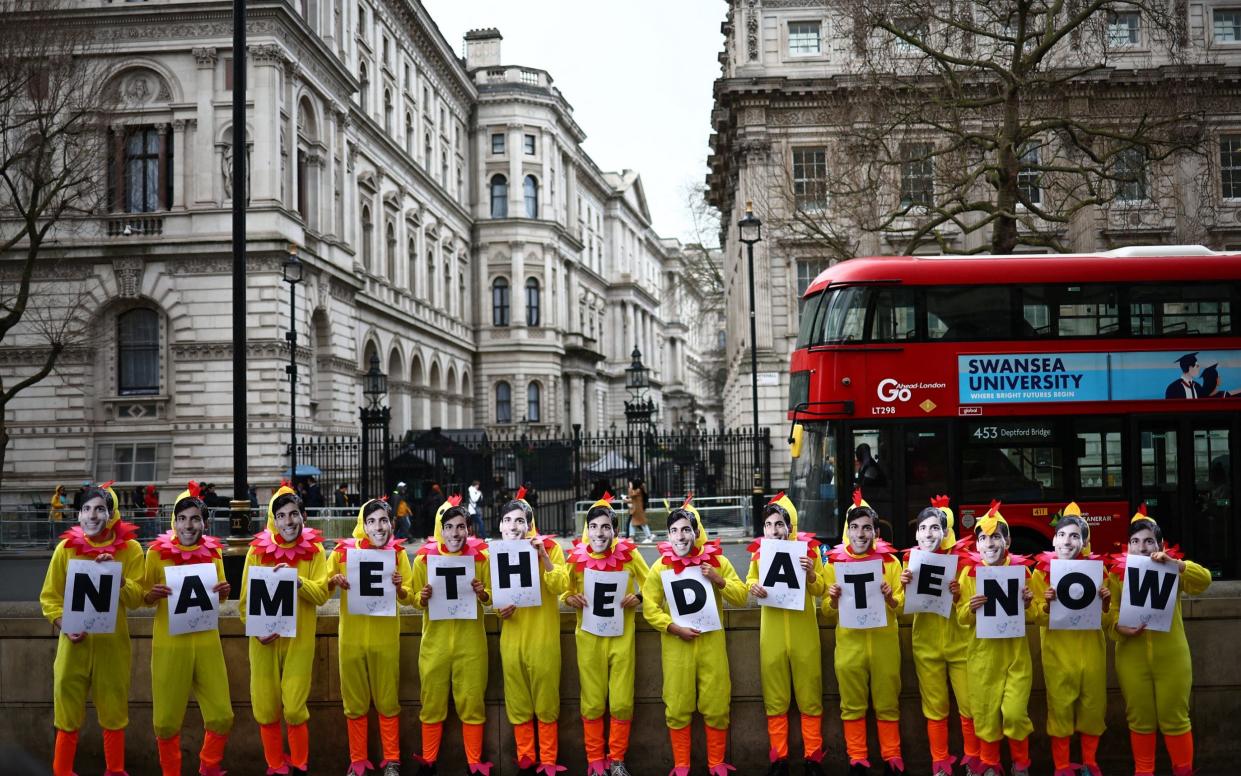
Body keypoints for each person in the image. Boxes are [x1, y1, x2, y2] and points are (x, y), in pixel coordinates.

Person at [39, 482, 144, 776]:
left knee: (114, 713)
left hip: (112, 647)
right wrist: (64, 625)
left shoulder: (131, 550)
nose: (92, 515)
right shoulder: (66, 549)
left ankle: (115, 771)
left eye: (100, 509)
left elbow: (138, 598)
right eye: (86, 509)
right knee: (67, 713)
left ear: (111, 514)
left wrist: (119, 578)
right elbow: (49, 598)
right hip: (73, 646)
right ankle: (62, 772)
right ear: (79, 515)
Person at [641, 496, 748, 776]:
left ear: (696, 532)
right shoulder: (660, 567)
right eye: (674, 530)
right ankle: (681, 766)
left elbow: (741, 597)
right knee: (677, 704)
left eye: (686, 529)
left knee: (716, 703)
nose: (680, 536)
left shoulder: (718, 562)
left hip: (712, 646)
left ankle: (716, 764)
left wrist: (718, 578)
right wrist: (671, 627)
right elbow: (650, 608)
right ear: (668, 535)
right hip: (677, 649)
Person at [1108, 504, 1211, 776]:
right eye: (1135, 542)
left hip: (1173, 658)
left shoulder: (1173, 570)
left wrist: (1177, 565)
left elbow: (1204, 581)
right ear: (1127, 546)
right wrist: (1119, 627)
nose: (1142, 548)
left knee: (1176, 719)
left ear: (1160, 544)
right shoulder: (1116, 575)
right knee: (1140, 721)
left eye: (1148, 541)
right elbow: (1109, 618)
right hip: (1131, 659)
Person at [142, 481, 233, 776]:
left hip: (207, 643)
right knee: (166, 721)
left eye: (195, 518)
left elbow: (218, 595)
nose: (188, 525)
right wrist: (149, 595)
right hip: (170, 645)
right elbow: (140, 596)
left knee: (222, 715)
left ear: (204, 523)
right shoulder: (156, 554)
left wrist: (224, 591)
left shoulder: (214, 552)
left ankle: (209, 767)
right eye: (182, 519)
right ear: (174, 522)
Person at [239, 482, 330, 775]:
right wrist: (256, 631)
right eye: (282, 515)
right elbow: (243, 604)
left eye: (294, 514)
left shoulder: (315, 551)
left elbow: (323, 594)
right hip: (263, 641)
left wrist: (298, 582)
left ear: (302, 516)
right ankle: (276, 766)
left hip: (299, 639)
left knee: (293, 708)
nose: (288, 521)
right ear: (273, 519)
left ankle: (300, 765)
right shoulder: (256, 551)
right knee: (265, 708)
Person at [563, 492, 650, 776]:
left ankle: (617, 760)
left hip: (622, 638)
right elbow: (564, 588)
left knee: (622, 700)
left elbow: (652, 585)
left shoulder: (629, 553)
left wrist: (638, 597)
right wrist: (569, 598)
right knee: (592, 700)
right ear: (586, 530)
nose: (599, 532)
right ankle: (594, 761)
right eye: (594, 526)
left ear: (614, 530)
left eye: (605, 527)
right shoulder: (576, 557)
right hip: (588, 638)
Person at [327, 498, 413, 776]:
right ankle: (358, 761)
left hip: (385, 640)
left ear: (392, 524)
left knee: (388, 699)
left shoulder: (398, 555)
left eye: (384, 521)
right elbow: (322, 591)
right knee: (353, 702)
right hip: (351, 640)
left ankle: (392, 760)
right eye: (372, 521)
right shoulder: (341, 553)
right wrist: (333, 581)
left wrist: (401, 589)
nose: (378, 527)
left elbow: (410, 597)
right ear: (363, 525)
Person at [822, 489, 904, 776]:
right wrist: (831, 598)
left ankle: (893, 757)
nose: (860, 533)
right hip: (849, 647)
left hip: (884, 645)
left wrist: (891, 597)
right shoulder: (833, 562)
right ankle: (857, 759)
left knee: (888, 703)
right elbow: (826, 611)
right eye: (854, 527)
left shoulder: (891, 563)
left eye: (866, 527)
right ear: (847, 531)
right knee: (852, 705)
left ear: (876, 531)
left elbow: (903, 606)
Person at [410, 495, 492, 776]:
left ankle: (474, 765)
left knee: (472, 702)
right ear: (440, 530)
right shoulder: (423, 560)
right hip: (434, 644)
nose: (455, 533)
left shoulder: (481, 558)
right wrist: (421, 597)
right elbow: (412, 599)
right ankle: (428, 763)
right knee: (431, 702)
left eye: (461, 527)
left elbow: (491, 598)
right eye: (449, 527)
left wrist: (482, 593)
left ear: (468, 530)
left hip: (471, 644)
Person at [746, 493, 827, 776]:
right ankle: (779, 759)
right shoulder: (759, 554)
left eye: (779, 523)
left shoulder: (810, 552)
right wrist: (753, 586)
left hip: (805, 633)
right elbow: (750, 581)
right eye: (768, 524)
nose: (774, 530)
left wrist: (813, 575)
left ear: (790, 526)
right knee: (775, 697)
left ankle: (813, 759)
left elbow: (822, 591)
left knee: (810, 696)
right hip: (773, 635)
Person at [899, 496, 979, 776]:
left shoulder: (964, 562)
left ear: (945, 532)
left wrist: (959, 596)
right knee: (935, 708)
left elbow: (972, 606)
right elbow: (899, 606)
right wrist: (901, 589)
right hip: (926, 646)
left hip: (961, 645)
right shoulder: (908, 561)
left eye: (934, 528)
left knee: (969, 706)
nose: (928, 533)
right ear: (917, 533)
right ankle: (940, 765)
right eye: (922, 528)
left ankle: (974, 763)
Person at [955, 502, 1035, 776]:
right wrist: (970, 607)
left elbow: (1037, 612)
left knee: (1014, 714)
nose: (990, 543)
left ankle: (1020, 764)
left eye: (996, 536)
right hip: (982, 658)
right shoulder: (968, 573)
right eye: (983, 538)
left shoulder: (1022, 571)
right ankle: (990, 765)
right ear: (977, 545)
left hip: (1016, 658)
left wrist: (1028, 602)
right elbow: (961, 617)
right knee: (986, 713)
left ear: (1008, 540)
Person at [494, 486, 568, 776]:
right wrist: (499, 608)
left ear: (530, 524)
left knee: (547, 700)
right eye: (509, 521)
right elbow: (489, 593)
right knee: (517, 700)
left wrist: (543, 556)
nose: (514, 526)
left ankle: (548, 762)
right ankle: (526, 759)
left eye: (520, 521)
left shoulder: (551, 548)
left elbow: (560, 586)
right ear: (501, 525)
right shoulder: (495, 553)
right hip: (512, 639)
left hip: (543, 639)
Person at [1033, 503, 1111, 776]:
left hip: (1091, 653)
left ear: (1085, 541)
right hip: (1057, 655)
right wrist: (1045, 605)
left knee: (1093, 708)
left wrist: (1105, 605)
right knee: (1060, 709)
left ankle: (1090, 763)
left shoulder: (1100, 573)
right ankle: (1062, 767)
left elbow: (1107, 621)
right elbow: (1035, 617)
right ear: (1053, 539)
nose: (1068, 540)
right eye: (1063, 534)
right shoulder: (1040, 573)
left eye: (1075, 535)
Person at [625, 478, 652, 543]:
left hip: (638, 510)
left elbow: (631, 495)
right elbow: (633, 499)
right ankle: (631, 538)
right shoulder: (638, 490)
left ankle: (649, 537)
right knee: (632, 524)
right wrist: (626, 500)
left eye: (631, 484)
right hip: (636, 510)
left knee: (643, 524)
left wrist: (630, 487)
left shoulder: (638, 490)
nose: (630, 485)